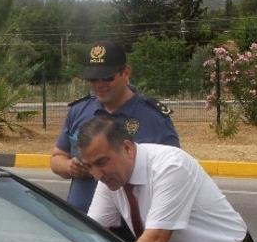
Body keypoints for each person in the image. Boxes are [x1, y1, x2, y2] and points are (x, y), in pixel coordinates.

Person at [73, 115, 257, 242]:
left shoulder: (171, 166)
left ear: (127, 148)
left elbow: (155, 239)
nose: (96, 175)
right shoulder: (111, 178)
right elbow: (89, 232)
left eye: (101, 162)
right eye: (89, 166)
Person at [51, 39, 179, 215]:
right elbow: (57, 157)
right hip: (82, 222)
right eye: (93, 79)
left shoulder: (153, 117)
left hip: (131, 229)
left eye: (107, 77)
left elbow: (173, 173)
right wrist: (69, 167)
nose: (99, 85)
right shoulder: (79, 111)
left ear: (126, 72)